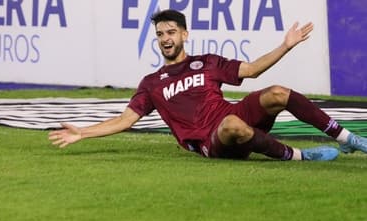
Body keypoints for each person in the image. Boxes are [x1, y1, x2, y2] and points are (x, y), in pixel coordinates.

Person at [49, 9, 367, 161]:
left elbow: (253, 70)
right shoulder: (151, 84)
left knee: (277, 93)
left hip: (234, 118)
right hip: (209, 140)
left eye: (170, 32)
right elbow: (124, 120)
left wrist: (286, 45)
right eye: (160, 34)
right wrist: (82, 132)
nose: (165, 39)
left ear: (184, 34)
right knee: (231, 124)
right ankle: (297, 156)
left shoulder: (208, 62)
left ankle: (347, 138)